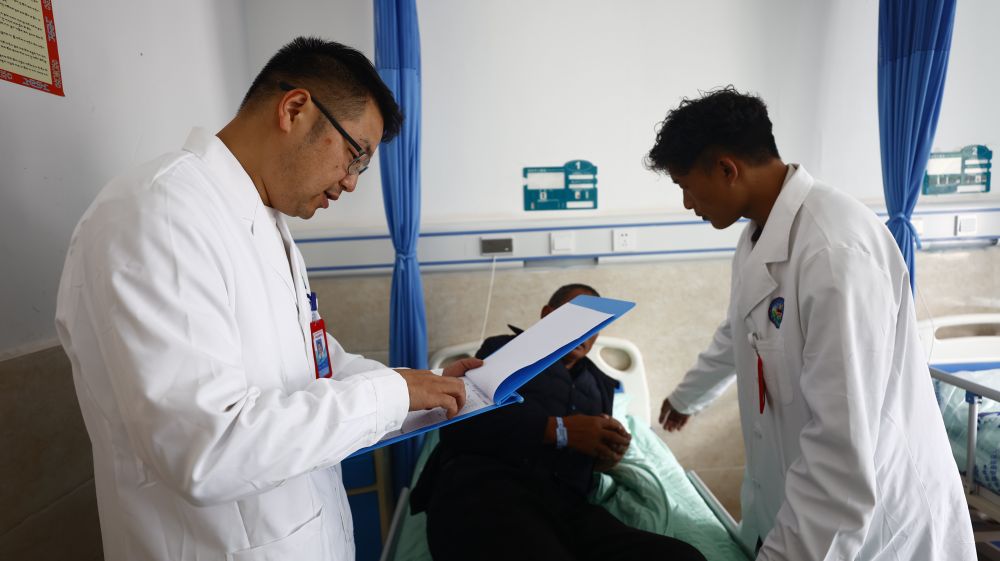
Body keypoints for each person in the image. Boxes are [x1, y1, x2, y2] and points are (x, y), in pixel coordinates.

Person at [54, 37, 479, 561]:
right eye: (355, 157)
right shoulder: (159, 213)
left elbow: (317, 366)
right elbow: (206, 449)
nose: (350, 183)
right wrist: (391, 395)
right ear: (295, 109)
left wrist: (427, 393)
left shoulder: (263, 221)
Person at [649, 87, 975, 560]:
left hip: (884, 532)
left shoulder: (835, 251)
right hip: (803, 508)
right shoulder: (757, 237)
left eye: (685, 185)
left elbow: (840, 455)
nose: (686, 203)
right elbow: (739, 331)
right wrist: (687, 396)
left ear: (726, 169)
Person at [410, 284, 706, 561]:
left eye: (596, 325)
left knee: (681, 556)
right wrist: (558, 430)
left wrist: (605, 455)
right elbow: (462, 426)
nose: (586, 331)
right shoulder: (504, 351)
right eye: (577, 317)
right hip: (489, 491)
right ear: (546, 315)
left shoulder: (601, 384)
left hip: (568, 508)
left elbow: (590, 457)